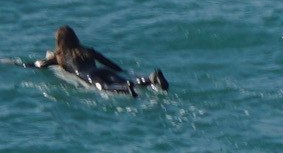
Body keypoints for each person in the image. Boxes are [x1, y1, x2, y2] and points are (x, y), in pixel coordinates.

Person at [15, 26, 168, 94]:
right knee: (122, 79)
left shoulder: (59, 56)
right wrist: (121, 70)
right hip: (102, 70)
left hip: (89, 76)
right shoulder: (87, 50)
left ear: (59, 42)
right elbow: (107, 62)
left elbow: (39, 65)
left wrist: (20, 64)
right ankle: (150, 79)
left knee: (103, 88)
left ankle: (125, 90)